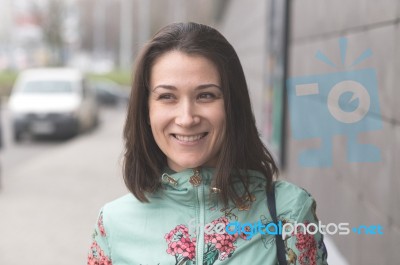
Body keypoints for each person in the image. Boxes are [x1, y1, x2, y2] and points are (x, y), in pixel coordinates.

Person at [87, 22, 328, 265]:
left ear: (232, 106)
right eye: (167, 97)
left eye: (206, 95)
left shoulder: (290, 213)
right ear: (146, 111)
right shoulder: (113, 224)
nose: (187, 118)